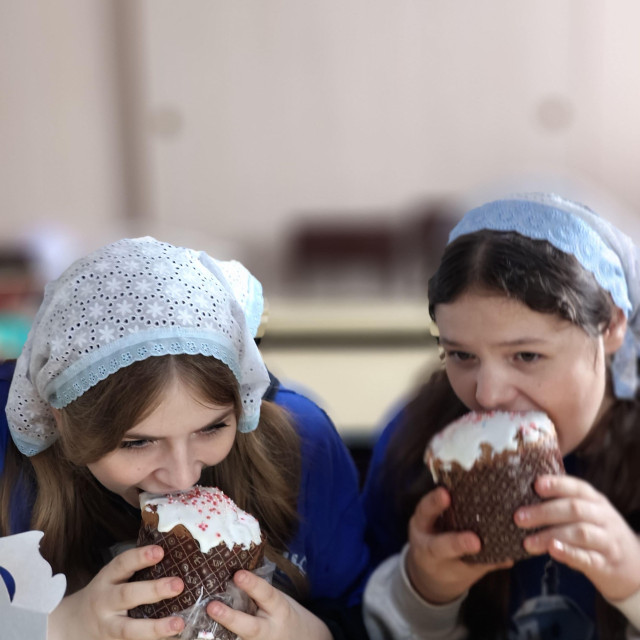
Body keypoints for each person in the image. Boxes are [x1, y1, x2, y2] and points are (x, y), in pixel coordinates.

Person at [0, 236, 369, 640]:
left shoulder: (301, 445)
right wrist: (55, 626)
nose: (182, 477)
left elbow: (368, 616)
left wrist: (315, 632)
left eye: (212, 428)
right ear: (60, 418)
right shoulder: (9, 460)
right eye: (137, 443)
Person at [361, 193, 640, 639]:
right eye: (461, 355)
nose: (487, 395)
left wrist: (634, 584)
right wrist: (421, 593)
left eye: (526, 355)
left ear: (611, 326)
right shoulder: (413, 444)